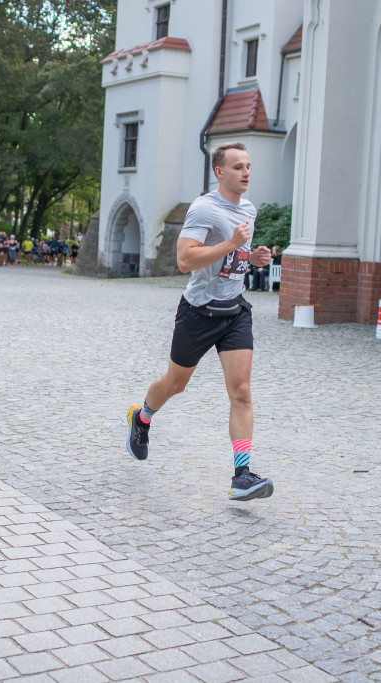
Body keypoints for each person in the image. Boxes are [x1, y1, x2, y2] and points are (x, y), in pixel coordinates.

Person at [125, 141, 273, 502]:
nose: (246, 172)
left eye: (249, 166)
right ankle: (142, 417)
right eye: (238, 167)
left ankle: (242, 475)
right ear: (220, 172)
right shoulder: (204, 208)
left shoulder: (249, 208)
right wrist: (231, 244)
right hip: (198, 312)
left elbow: (232, 257)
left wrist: (251, 257)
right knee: (176, 384)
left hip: (234, 310)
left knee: (241, 391)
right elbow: (185, 260)